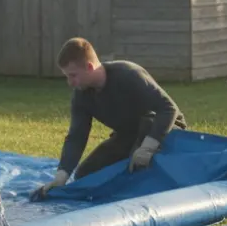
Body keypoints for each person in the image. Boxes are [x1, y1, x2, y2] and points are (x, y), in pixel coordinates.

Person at [31, 38, 188, 201]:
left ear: (89, 67)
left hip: (163, 129)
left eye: (73, 75)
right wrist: (61, 176)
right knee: (86, 174)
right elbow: (77, 136)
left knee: (137, 159)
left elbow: (169, 109)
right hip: (130, 134)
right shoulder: (82, 95)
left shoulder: (128, 74)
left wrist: (149, 147)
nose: (70, 82)